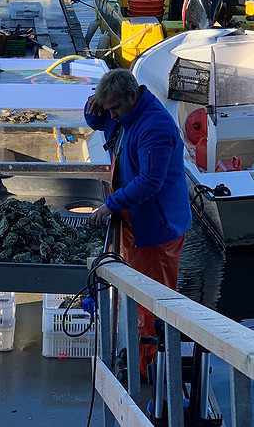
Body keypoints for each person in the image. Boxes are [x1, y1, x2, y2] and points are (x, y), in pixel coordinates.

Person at [85, 68, 191, 377]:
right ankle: (141, 358)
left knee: (150, 302)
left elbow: (149, 183)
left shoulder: (155, 127)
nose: (112, 115)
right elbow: (106, 125)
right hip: (136, 222)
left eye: (114, 108)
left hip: (156, 230)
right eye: (108, 109)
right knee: (136, 294)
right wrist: (93, 111)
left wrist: (111, 205)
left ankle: (145, 371)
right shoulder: (127, 115)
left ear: (131, 96)